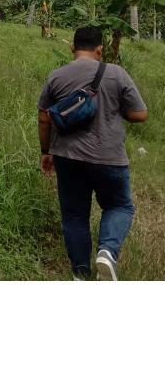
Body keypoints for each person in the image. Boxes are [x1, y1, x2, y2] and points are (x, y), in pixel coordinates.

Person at [37, 25, 148, 281]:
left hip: (67, 156)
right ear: (100, 49)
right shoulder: (117, 74)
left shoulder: (57, 75)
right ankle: (107, 251)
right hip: (110, 157)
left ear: (72, 47)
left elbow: (44, 118)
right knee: (119, 206)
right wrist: (114, 108)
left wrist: (46, 151)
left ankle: (80, 274)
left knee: (74, 215)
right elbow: (140, 114)